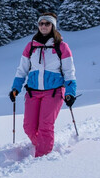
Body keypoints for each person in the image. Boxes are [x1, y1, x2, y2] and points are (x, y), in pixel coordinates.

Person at [9, 12, 77, 157]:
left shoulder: (62, 47)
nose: (44, 26)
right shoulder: (31, 46)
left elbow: (69, 72)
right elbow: (22, 70)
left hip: (54, 92)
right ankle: (42, 144)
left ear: (53, 26)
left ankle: (42, 160)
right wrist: (15, 88)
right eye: (41, 23)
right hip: (33, 92)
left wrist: (70, 92)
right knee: (29, 127)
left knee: (45, 126)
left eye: (47, 23)